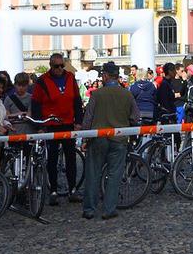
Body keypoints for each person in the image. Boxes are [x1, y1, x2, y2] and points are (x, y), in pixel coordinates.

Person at [81, 62, 139, 220]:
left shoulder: (97, 95)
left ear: (105, 76)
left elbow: (88, 120)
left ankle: (89, 209)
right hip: (119, 139)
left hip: (98, 139)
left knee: (93, 174)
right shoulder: (126, 94)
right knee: (114, 175)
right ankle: (109, 208)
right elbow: (135, 117)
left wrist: (84, 139)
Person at [33, 52, 85, 205]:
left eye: (62, 65)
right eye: (57, 66)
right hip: (51, 124)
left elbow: (77, 100)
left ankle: (73, 189)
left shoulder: (70, 77)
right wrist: (40, 125)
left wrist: (78, 121)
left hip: (68, 123)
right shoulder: (42, 81)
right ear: (51, 66)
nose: (60, 69)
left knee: (71, 158)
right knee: (52, 159)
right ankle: (53, 190)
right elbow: (36, 104)